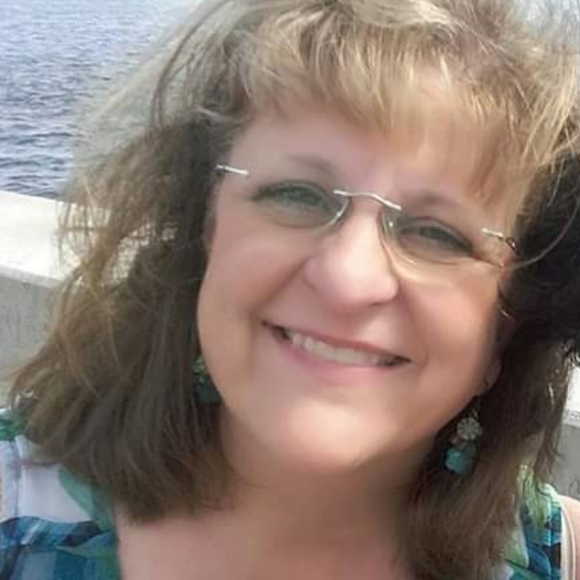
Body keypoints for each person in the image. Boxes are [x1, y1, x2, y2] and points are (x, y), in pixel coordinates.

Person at [1, 0, 580, 577]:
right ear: (204, 231)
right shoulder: (16, 513)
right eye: (297, 196)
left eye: (437, 235)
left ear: (511, 322)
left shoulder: (557, 557)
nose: (347, 278)